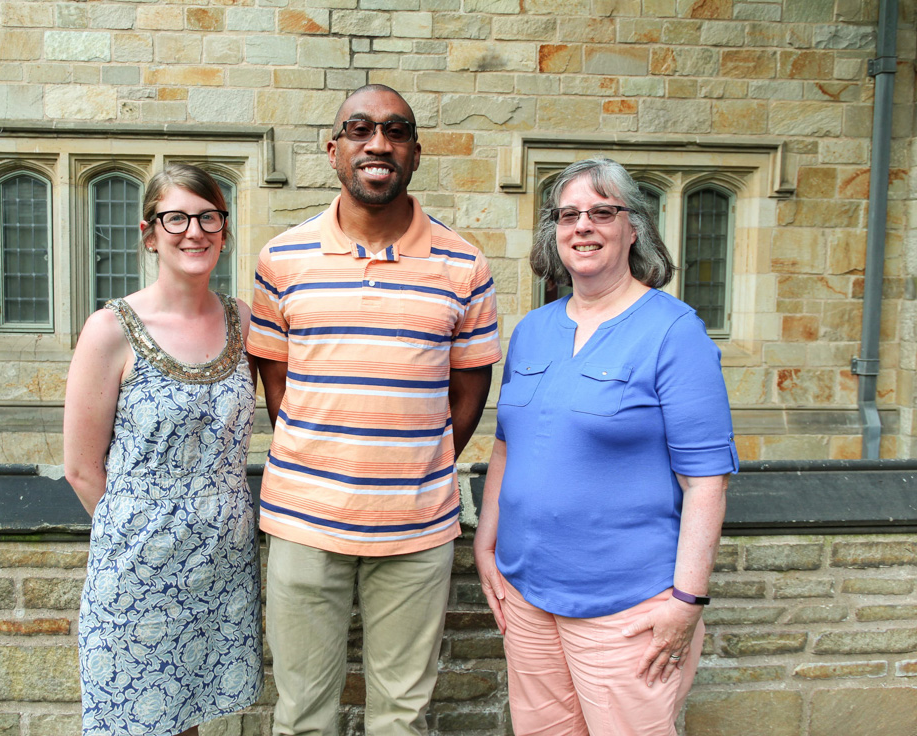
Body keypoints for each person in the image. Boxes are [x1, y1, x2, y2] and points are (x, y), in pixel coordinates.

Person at [246, 84, 501, 736]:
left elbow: (470, 389)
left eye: (395, 130)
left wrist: (416, 460)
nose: (377, 143)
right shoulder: (281, 260)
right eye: (359, 130)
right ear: (334, 151)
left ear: (415, 153)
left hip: (417, 529)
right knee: (303, 716)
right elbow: (277, 383)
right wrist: (324, 453)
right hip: (304, 523)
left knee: (402, 717)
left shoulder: (465, 264)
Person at [474, 157, 738, 736]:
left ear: (634, 226)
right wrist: (486, 544)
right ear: (554, 231)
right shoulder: (533, 330)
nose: (583, 226)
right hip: (527, 594)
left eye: (602, 211)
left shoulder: (674, 332)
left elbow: (706, 481)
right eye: (568, 214)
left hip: (628, 609)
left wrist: (687, 601)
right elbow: (506, 446)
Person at [63, 163, 262, 736]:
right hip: (137, 575)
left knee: (190, 721)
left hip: (220, 571)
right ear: (150, 232)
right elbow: (80, 468)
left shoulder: (244, 323)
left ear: (223, 231)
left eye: (208, 218)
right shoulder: (111, 329)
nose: (193, 231)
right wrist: (145, 537)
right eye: (176, 218)